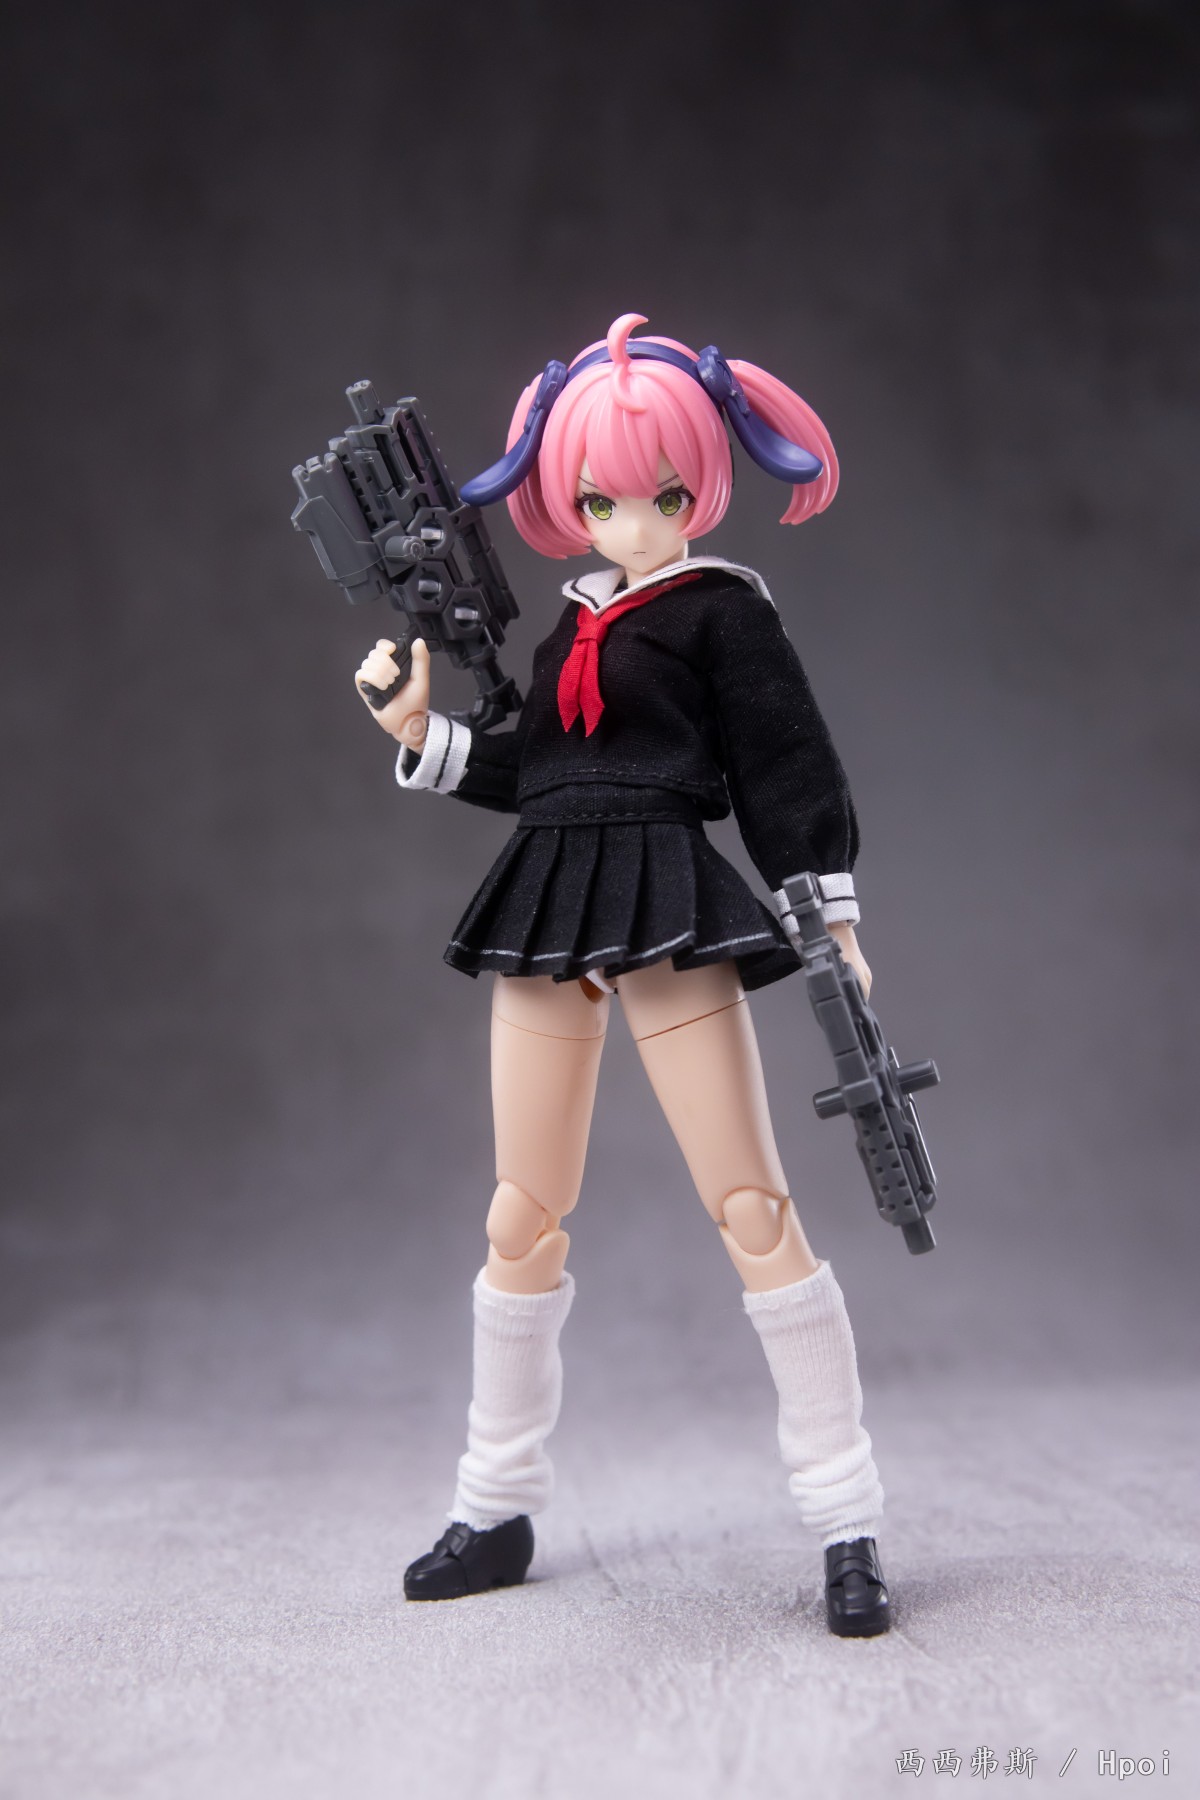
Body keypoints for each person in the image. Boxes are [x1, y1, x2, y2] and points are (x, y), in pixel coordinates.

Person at [356, 313, 890, 1636]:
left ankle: (847, 1517)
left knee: (751, 1205)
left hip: (664, 889)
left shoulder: (723, 614)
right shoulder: (571, 623)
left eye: (659, 496)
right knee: (520, 1215)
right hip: (548, 890)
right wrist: (423, 731)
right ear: (569, 502)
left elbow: (785, 765)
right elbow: (540, 770)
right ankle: (495, 1501)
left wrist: (829, 913)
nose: (630, 522)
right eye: (600, 500)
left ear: (699, 490)